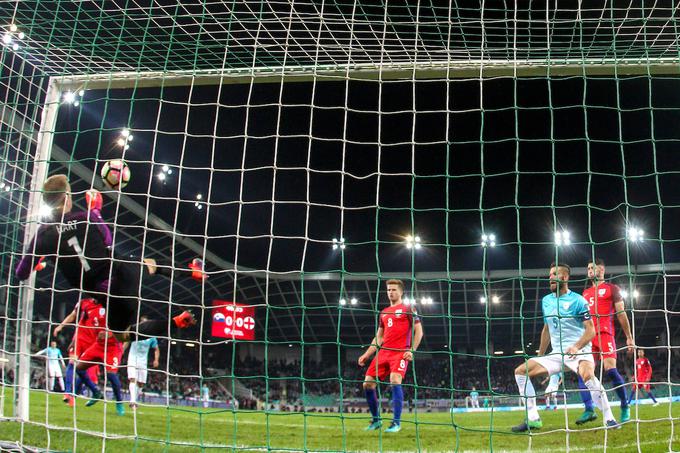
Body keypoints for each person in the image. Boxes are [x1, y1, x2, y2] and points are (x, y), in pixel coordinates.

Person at [15, 175, 197, 342]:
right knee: (150, 265)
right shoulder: (85, 217)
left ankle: (177, 322)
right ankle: (192, 272)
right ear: (66, 197)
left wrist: (36, 263)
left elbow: (21, 274)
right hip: (124, 274)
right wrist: (96, 210)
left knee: (123, 336)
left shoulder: (42, 236)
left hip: (111, 296)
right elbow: (108, 240)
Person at [512, 263, 619, 432]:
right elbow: (547, 329)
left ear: (565, 277)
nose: (550, 277)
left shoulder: (578, 300)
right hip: (557, 354)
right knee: (520, 372)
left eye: (554, 274)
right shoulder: (546, 301)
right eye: (549, 274)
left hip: (580, 351)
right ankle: (533, 418)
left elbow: (591, 330)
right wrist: (540, 355)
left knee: (588, 375)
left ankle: (609, 417)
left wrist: (576, 347)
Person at [358, 279, 423, 433]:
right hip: (384, 353)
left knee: (395, 379)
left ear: (401, 292)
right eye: (388, 290)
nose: (391, 292)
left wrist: (411, 350)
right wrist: (366, 354)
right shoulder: (384, 312)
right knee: (367, 384)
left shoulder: (408, 308)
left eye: (394, 289)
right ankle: (376, 421)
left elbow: (418, 331)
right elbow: (379, 337)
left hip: (400, 352)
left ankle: (396, 423)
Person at [576, 259, 634, 424]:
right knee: (583, 371)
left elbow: (621, 313)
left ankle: (624, 405)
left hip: (605, 333)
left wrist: (629, 337)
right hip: (589, 336)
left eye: (592, 268)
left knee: (610, 369)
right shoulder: (585, 293)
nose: (589, 271)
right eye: (587, 268)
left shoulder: (612, 289)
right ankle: (588, 409)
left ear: (602, 269)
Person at [54, 297, 104, 406]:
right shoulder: (84, 302)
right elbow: (73, 315)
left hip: (92, 343)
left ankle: (93, 391)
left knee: (81, 369)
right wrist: (60, 326)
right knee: (72, 363)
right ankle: (67, 393)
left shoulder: (105, 307)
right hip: (79, 339)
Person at [125, 332, 159, 409]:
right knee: (133, 379)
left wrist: (156, 360)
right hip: (132, 358)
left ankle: (134, 400)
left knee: (141, 383)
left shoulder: (151, 337)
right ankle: (132, 401)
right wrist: (121, 352)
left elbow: (156, 349)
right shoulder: (135, 332)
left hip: (143, 362)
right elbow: (127, 341)